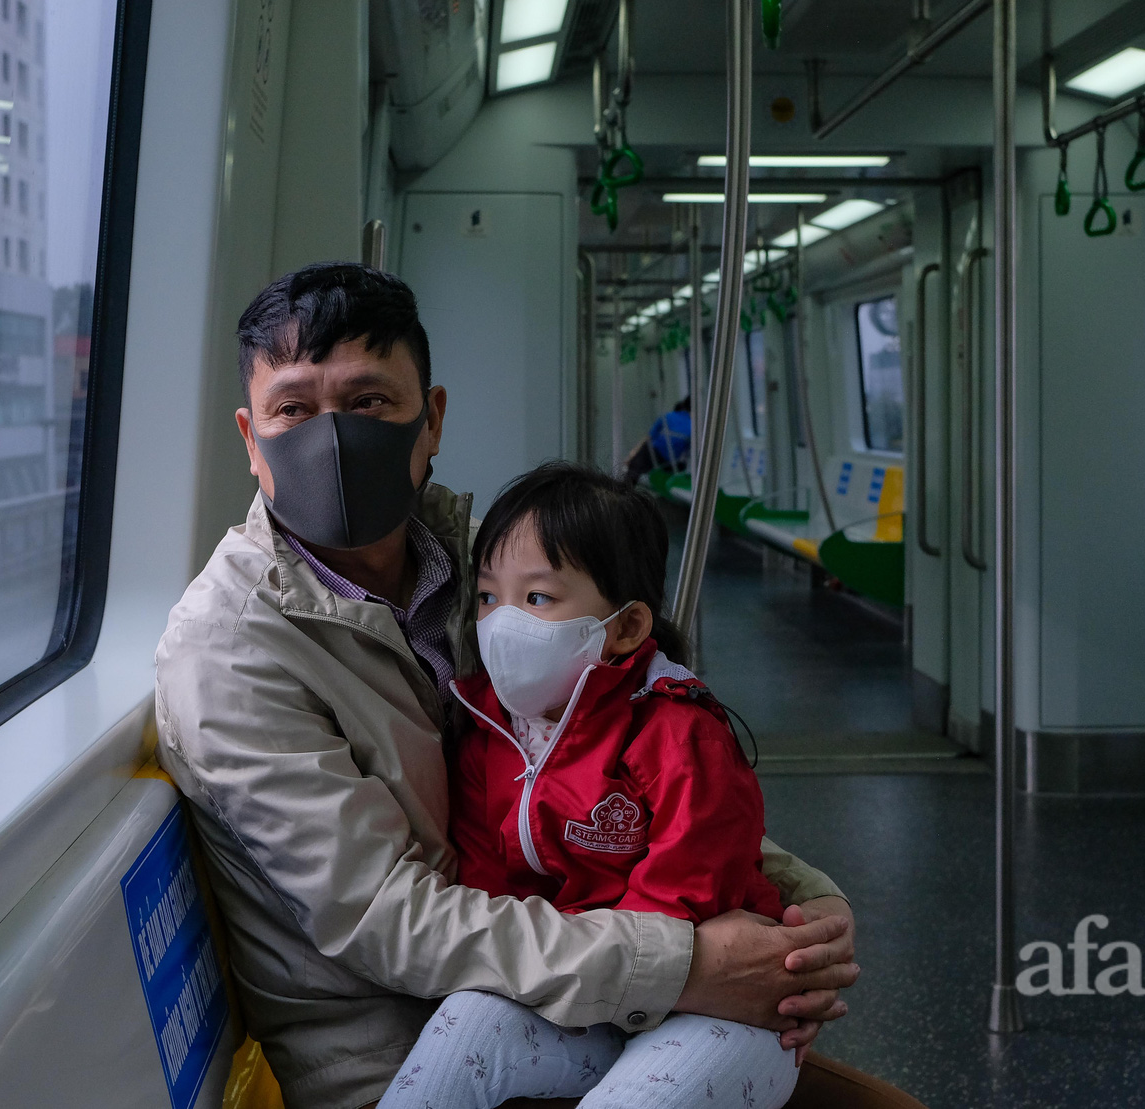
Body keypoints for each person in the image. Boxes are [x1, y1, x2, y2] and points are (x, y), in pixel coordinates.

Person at [153, 265, 859, 1109]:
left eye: (370, 401)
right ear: (250, 436)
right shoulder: (228, 650)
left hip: (571, 974)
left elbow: (624, 769)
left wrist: (797, 906)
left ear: (432, 419)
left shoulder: (485, 571)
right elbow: (389, 920)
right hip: (397, 1048)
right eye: (294, 408)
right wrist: (689, 965)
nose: (333, 437)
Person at [380, 462, 801, 1109]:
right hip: (594, 993)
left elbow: (684, 902)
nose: (500, 623)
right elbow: (492, 888)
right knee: (466, 1021)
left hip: (725, 1002)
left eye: (538, 598)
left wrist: (580, 961)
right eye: (489, 596)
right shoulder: (490, 728)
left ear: (627, 628)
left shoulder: (678, 733)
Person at [620, 397, 691, 485]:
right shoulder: (693, 427)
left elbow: (649, 437)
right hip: (670, 462)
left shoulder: (668, 416)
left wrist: (632, 454)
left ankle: (625, 488)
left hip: (654, 452)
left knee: (634, 470)